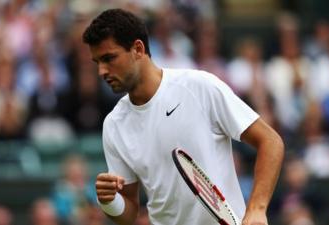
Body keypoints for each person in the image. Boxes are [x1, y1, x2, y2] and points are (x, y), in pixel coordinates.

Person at [82, 8, 284, 225]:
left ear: (138, 49)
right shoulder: (113, 125)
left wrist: (256, 209)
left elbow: (270, 141)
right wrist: (109, 201)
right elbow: (129, 212)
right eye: (97, 63)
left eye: (109, 58)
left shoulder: (199, 86)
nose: (102, 71)